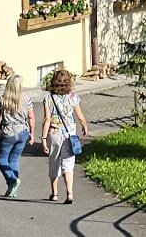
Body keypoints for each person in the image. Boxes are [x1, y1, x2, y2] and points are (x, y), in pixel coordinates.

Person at [34, 69, 90, 204]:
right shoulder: (73, 97)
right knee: (68, 165)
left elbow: (46, 120)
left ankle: (54, 194)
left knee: (54, 163)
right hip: (70, 135)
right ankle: (69, 193)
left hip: (54, 134)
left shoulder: (48, 98)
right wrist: (84, 125)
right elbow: (79, 114)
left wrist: (43, 139)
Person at [0, 75, 32, 197]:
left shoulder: (2, 99)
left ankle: (12, 180)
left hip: (9, 132)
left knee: (1, 159)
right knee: (14, 159)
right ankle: (13, 189)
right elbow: (31, 117)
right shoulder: (26, 98)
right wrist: (32, 133)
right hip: (23, 130)